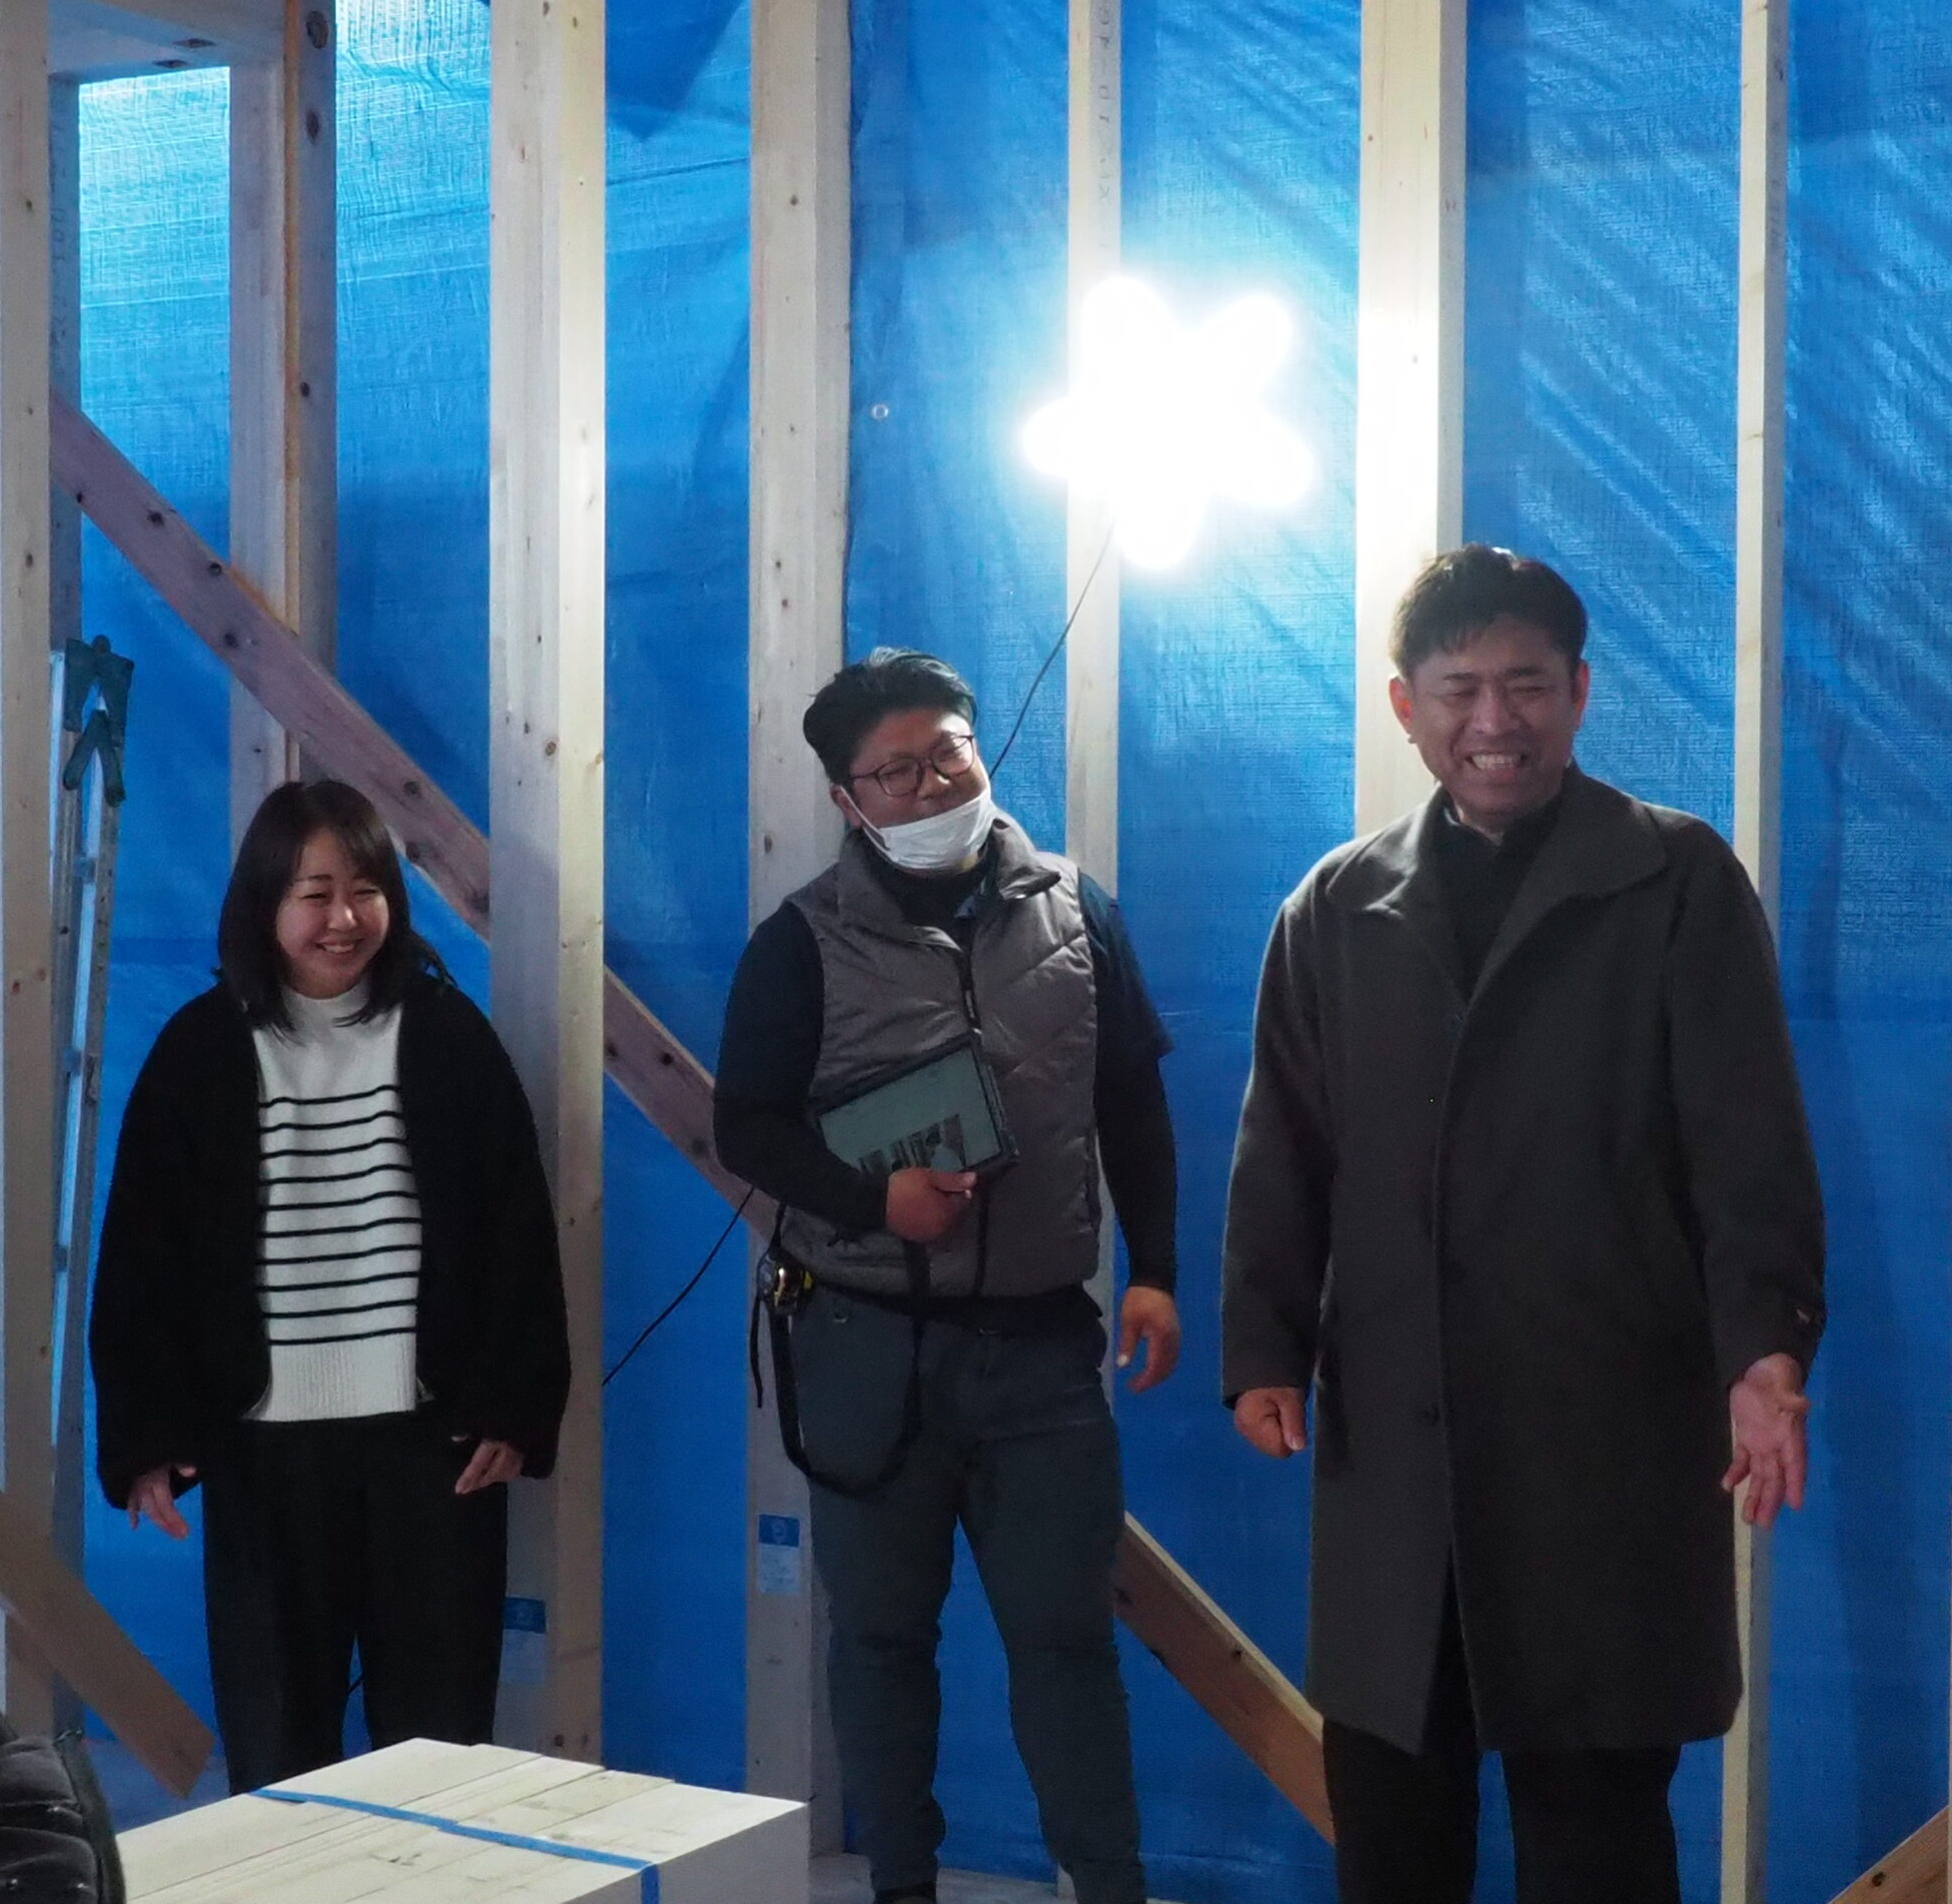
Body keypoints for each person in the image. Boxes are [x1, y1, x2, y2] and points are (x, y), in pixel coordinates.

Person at [1222, 544, 1825, 1903]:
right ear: (1405, 706)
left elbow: (1748, 1152)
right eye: (1459, 690)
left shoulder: (1673, 880)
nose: (1494, 722)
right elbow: (1284, 1152)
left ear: (1580, 691)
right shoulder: (1336, 905)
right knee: (1392, 1812)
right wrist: (1263, 1342)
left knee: (1596, 1826)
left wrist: (1764, 1354)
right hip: (1399, 1440)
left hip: (1601, 1429)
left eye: (1527, 685)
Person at [713, 649, 1182, 1904]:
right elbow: (745, 1127)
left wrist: (1155, 1271)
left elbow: (1132, 1102)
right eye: (896, 773)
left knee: (1067, 1643)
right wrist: (877, 1202)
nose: (932, 786)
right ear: (846, 798)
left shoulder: (1077, 909)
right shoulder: (800, 942)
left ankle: (1111, 1887)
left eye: (948, 755)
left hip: (1041, 1351)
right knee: (879, 1642)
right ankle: (902, 1886)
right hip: (866, 1347)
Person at [90, 778, 570, 1791]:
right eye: (314, 894)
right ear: (263, 904)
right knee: (276, 1743)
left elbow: (516, 1239)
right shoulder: (200, 1050)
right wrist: (146, 1438)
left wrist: (512, 1409)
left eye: (365, 890)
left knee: (440, 1742)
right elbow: (143, 1261)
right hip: (263, 1452)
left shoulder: (447, 1036)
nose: (342, 918)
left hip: (430, 1447)